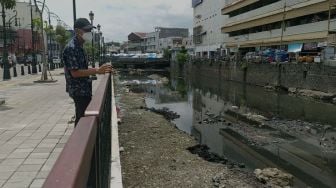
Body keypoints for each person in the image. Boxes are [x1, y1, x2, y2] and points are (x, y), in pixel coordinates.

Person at [63, 18, 112, 126]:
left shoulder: (80, 46)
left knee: (83, 117)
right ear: (77, 31)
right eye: (86, 30)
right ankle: (78, 142)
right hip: (78, 90)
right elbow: (75, 73)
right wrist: (97, 70)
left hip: (84, 88)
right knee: (82, 119)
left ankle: (80, 140)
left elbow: (82, 68)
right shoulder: (71, 48)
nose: (89, 33)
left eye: (90, 30)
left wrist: (98, 70)